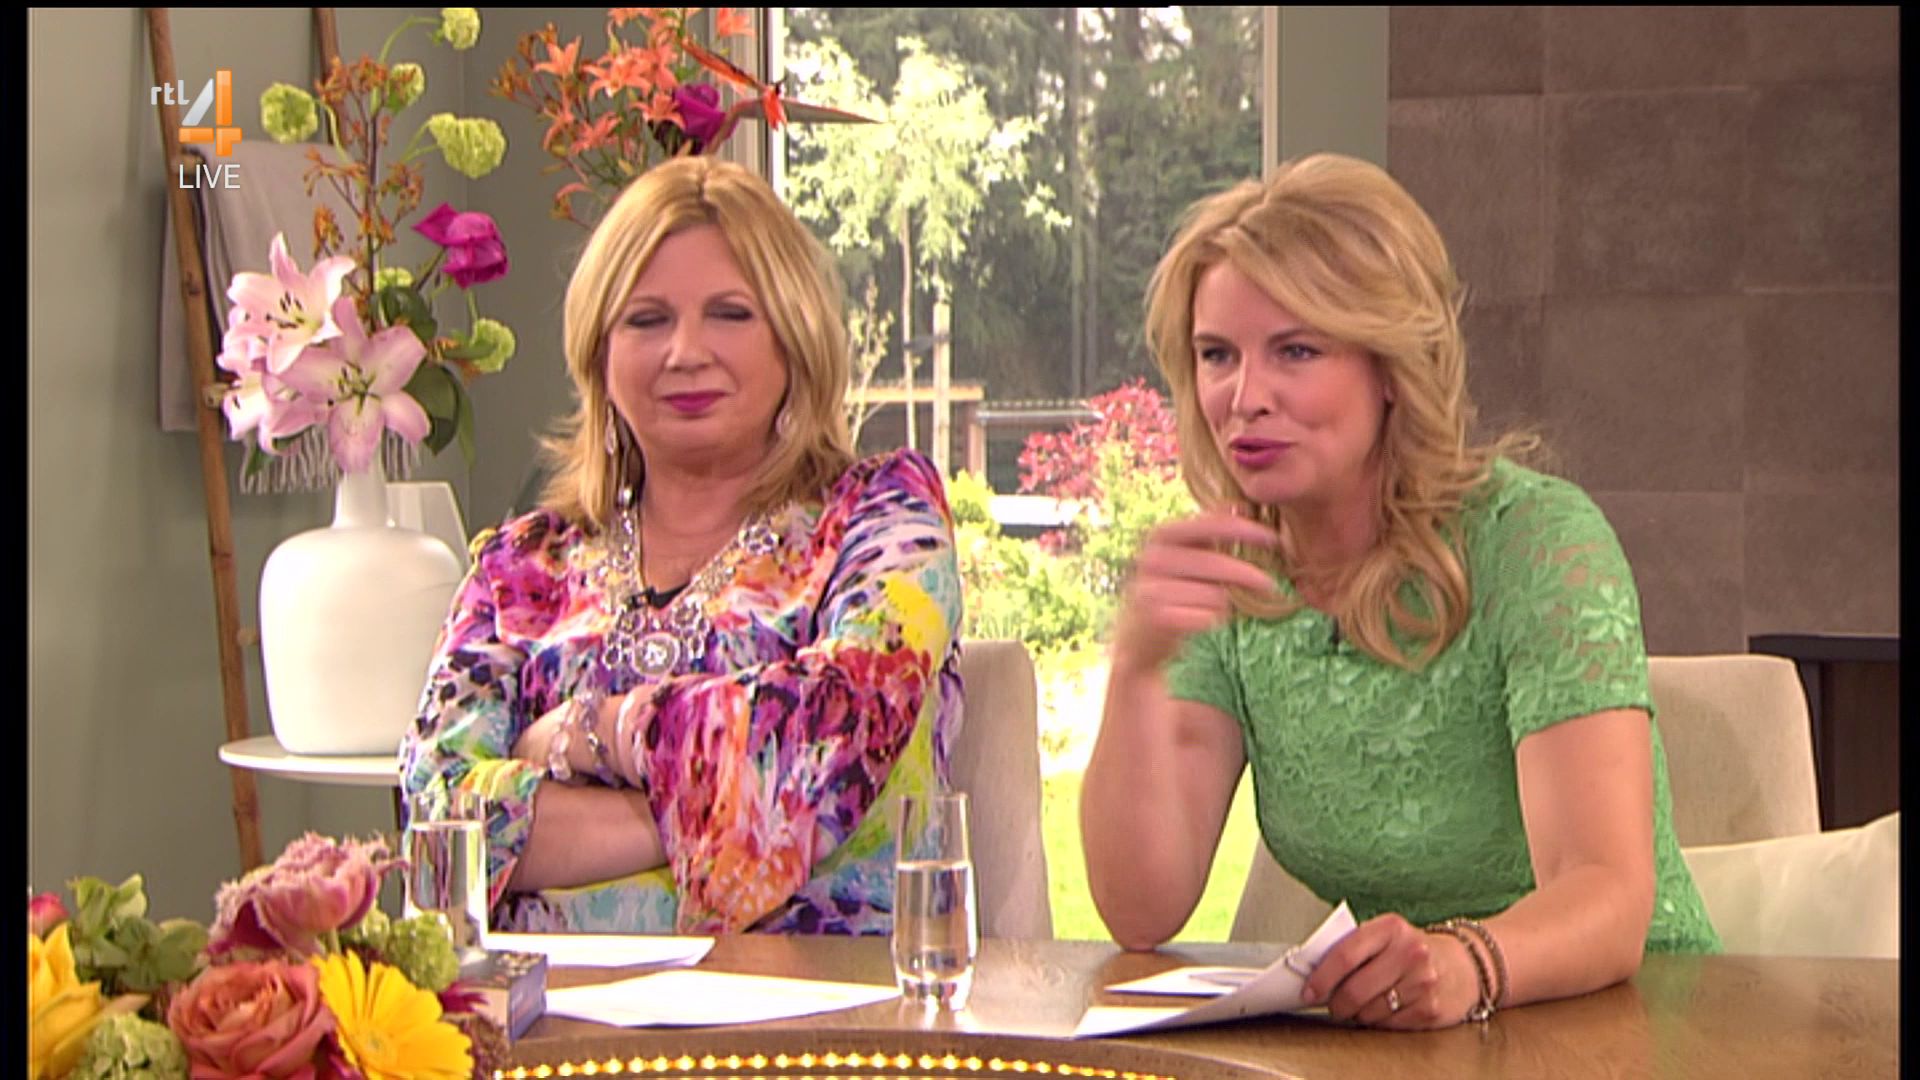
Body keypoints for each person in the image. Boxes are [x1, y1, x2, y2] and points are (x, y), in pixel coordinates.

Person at [1080, 153, 1720, 1030]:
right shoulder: (1230, 571)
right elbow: (1141, 910)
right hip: (1404, 1041)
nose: (1244, 397)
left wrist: (1463, 964)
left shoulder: (1534, 542)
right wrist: (1136, 668)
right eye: (1216, 355)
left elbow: (1606, 895)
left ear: (1390, 366)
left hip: (1630, 1026)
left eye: (1296, 351)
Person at [399, 156, 964, 936]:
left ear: (795, 337)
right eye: (647, 319)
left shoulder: (882, 518)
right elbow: (435, 827)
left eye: (730, 313)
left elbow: (832, 734)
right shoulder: (520, 568)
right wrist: (722, 813)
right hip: (547, 1007)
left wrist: (589, 733)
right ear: (599, 352)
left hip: (815, 1004)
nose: (687, 351)